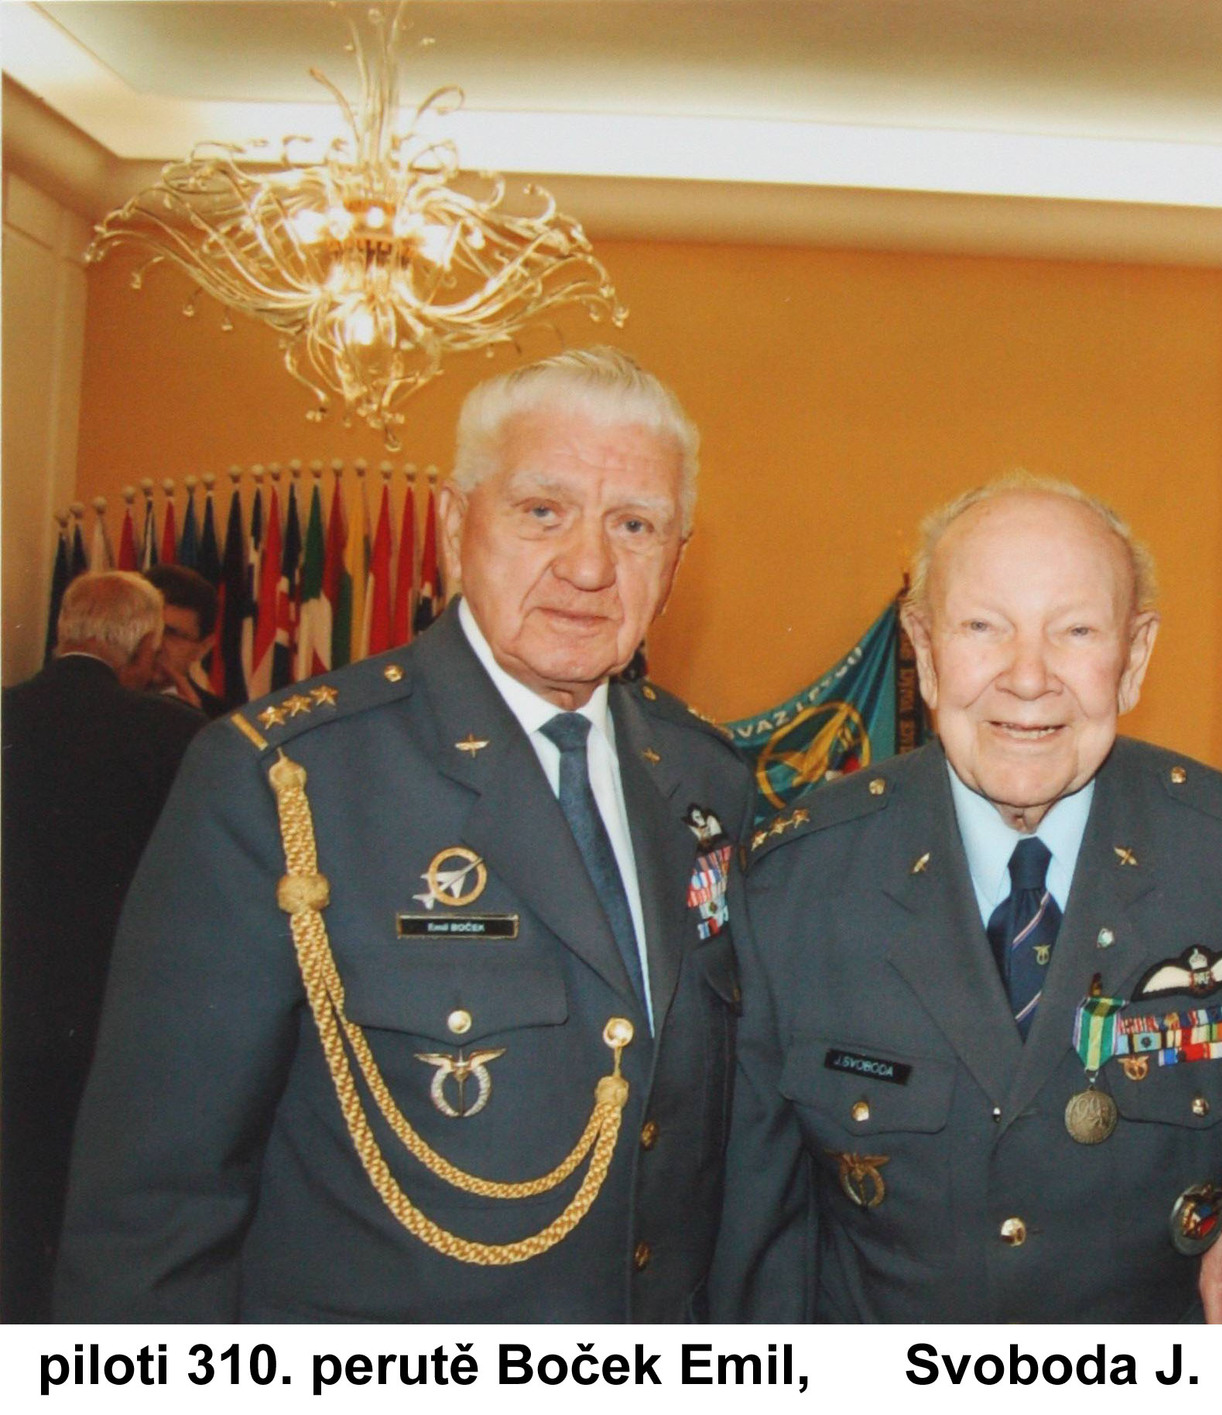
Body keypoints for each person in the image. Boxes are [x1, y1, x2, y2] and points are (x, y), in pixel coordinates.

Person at [57, 348, 754, 1321]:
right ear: (453, 526)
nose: (590, 566)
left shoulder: (706, 783)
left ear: (675, 560)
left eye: (634, 525)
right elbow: (155, 1207)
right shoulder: (283, 782)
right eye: (542, 510)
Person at [711, 475, 1222, 1322]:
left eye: (1076, 630)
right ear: (924, 649)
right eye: (983, 627)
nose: (1028, 678)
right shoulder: (794, 885)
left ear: (1134, 657)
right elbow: (759, 1244)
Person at [2, 571, 203, 1322]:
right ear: (148, 646)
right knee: (90, 1210)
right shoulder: (171, 733)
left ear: (64, 630)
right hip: (111, 1018)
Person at [143, 563, 227, 718]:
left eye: (171, 633)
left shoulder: (221, 720)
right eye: (148, 628)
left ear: (203, 647)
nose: (156, 644)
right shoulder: (98, 701)